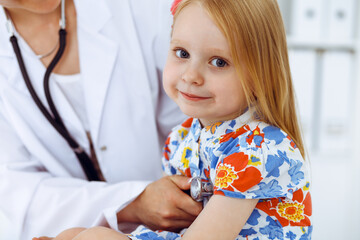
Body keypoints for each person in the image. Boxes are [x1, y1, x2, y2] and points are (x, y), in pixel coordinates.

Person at [45, 0, 313, 239]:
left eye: (219, 62)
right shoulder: (183, 137)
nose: (190, 75)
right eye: (182, 53)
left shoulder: (259, 147)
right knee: (73, 234)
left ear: (260, 74)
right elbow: (173, 226)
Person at [0, 0, 204, 239]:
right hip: (71, 229)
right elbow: (15, 194)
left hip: (193, 207)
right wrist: (134, 204)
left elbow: (206, 110)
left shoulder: (142, 8)